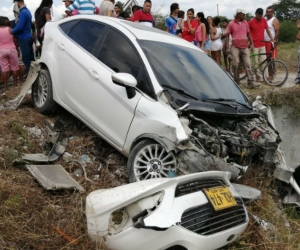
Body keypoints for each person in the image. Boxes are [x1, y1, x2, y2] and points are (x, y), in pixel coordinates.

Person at [226, 8, 260, 88]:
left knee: (248, 64)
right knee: (235, 64)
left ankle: (251, 82)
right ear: (238, 14)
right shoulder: (231, 23)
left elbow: (248, 33)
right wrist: (227, 47)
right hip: (235, 46)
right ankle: (237, 82)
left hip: (244, 46)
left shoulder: (245, 22)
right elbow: (227, 35)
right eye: (243, 14)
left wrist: (252, 43)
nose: (244, 15)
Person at [248, 8, 275, 81]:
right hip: (254, 45)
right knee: (256, 62)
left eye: (261, 14)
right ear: (255, 13)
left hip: (262, 44)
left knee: (264, 61)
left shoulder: (263, 20)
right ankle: (258, 77)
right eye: (258, 13)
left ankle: (266, 77)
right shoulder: (251, 22)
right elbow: (248, 32)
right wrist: (250, 42)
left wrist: (272, 38)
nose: (259, 15)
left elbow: (268, 29)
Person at [11, 0, 35, 77]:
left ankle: (29, 76)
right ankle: (34, 75)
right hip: (28, 36)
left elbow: (20, 26)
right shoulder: (27, 11)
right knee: (31, 58)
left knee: (26, 59)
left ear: (17, 3)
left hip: (24, 38)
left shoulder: (23, 12)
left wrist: (12, 31)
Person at [0, 16, 19, 90]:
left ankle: (6, 87)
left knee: (4, 69)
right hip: (11, 49)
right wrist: (17, 49)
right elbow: (15, 39)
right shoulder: (10, 29)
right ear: (4, 21)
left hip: (1, 51)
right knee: (14, 68)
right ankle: (15, 85)